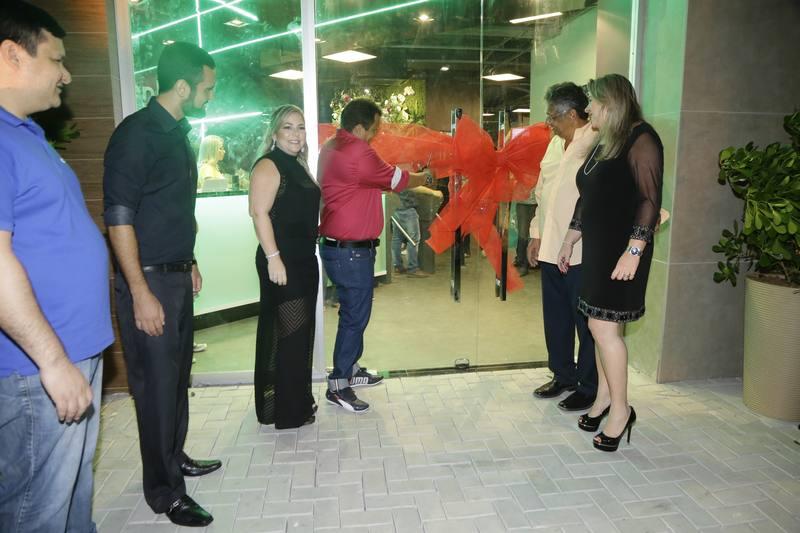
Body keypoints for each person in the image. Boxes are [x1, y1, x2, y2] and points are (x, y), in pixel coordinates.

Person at [0, 3, 113, 531]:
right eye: (56, 59)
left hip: (72, 351)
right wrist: (51, 361)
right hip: (37, 367)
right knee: (36, 510)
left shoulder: (27, 134)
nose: (66, 75)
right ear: (12, 55)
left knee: (72, 490)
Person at [103, 42, 220, 527]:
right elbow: (119, 217)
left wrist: (189, 260)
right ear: (183, 86)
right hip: (148, 282)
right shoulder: (137, 135)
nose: (211, 96)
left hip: (174, 275)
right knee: (154, 390)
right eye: (207, 88)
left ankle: (174, 457)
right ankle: (164, 493)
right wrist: (140, 291)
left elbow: (169, 210)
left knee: (176, 381)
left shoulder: (177, 134)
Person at [557, 74, 663, 452]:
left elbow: (650, 200)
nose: (588, 109)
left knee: (605, 329)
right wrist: (570, 238)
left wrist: (634, 251)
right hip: (599, 250)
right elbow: (588, 196)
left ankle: (621, 411)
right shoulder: (607, 140)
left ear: (612, 103)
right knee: (595, 324)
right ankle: (604, 397)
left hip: (623, 251)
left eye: (594, 102)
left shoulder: (642, 139)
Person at [319, 98, 435, 413]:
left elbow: (370, 180)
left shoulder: (331, 147)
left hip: (339, 249)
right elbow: (398, 180)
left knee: (352, 312)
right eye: (374, 128)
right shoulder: (358, 151)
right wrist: (425, 177)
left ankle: (351, 368)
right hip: (351, 252)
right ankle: (339, 384)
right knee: (355, 316)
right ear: (359, 128)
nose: (376, 134)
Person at [249, 104, 320, 429]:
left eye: (300, 127)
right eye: (288, 127)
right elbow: (258, 213)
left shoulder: (297, 164)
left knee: (297, 334)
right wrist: (273, 257)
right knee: (291, 334)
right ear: (275, 133)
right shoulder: (269, 164)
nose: (296, 133)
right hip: (283, 261)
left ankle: (292, 402)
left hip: (302, 259)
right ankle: (289, 412)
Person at [529, 82, 598, 412]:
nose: (549, 123)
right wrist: (535, 234)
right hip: (550, 247)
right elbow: (541, 192)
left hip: (581, 251)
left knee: (585, 321)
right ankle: (563, 375)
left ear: (572, 114)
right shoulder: (555, 145)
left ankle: (589, 386)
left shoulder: (595, 142)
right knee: (555, 317)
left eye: (553, 117)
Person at [391, 187, 440, 278]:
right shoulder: (406, 176)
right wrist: (433, 192)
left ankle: (397, 266)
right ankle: (412, 268)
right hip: (407, 208)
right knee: (413, 239)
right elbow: (414, 186)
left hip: (395, 206)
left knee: (397, 238)